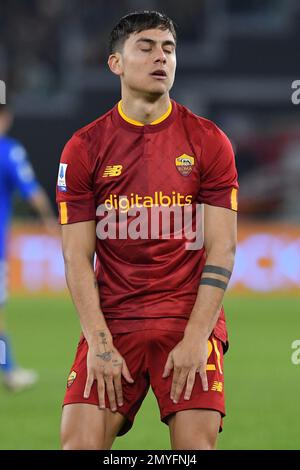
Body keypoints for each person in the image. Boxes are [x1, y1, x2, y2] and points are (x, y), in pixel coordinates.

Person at [57, 11, 238, 450]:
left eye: (169, 48)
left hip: (186, 318)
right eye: (147, 47)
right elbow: (76, 257)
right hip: (114, 321)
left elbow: (222, 249)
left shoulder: (208, 140)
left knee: (194, 450)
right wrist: (99, 343)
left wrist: (196, 339)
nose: (162, 57)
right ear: (115, 63)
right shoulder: (84, 148)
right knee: (77, 446)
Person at [0, 104, 57, 391]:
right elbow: (31, 190)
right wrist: (48, 219)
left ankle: (8, 368)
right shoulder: (8, 150)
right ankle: (8, 370)